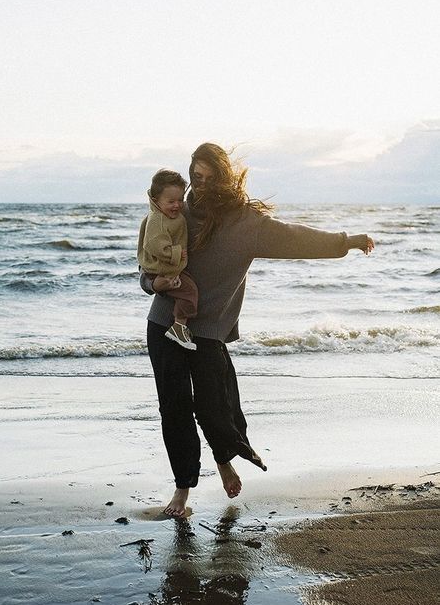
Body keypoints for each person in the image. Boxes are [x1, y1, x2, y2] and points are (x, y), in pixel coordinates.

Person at [140, 143, 374, 517]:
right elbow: (148, 263)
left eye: (208, 178)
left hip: (208, 332)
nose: (199, 187)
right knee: (175, 410)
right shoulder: (177, 212)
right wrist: (153, 285)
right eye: (195, 178)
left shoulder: (247, 224)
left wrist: (343, 242)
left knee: (215, 408)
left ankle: (224, 460)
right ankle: (182, 491)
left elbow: (295, 237)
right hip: (165, 323)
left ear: (224, 179)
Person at [137, 169, 199, 350]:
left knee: (187, 291)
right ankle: (179, 326)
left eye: (180, 200)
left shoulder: (170, 216)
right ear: (156, 201)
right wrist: (176, 252)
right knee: (189, 292)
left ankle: (179, 325)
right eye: (171, 201)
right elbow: (154, 245)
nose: (177, 205)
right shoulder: (158, 219)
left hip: (165, 268)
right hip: (162, 268)